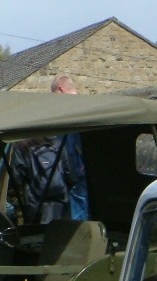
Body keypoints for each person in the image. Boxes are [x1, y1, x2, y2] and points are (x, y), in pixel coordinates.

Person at [50, 74, 89, 219]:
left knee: (80, 221)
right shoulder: (88, 106)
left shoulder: (72, 111)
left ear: (60, 90)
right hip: (82, 175)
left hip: (79, 176)